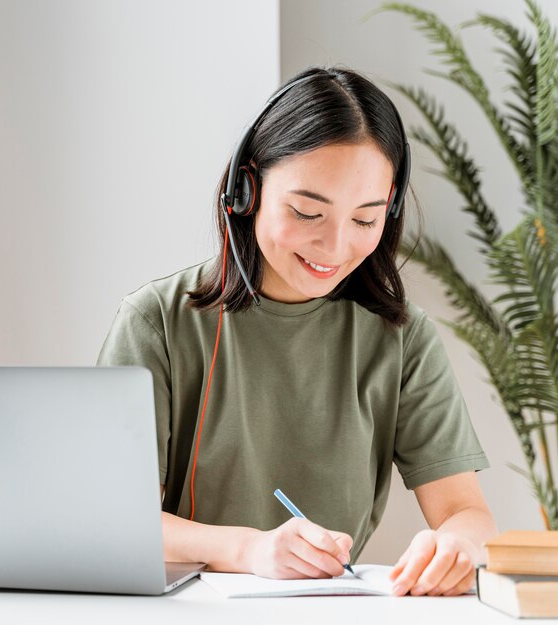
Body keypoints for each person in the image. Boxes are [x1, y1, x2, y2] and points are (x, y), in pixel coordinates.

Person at [97, 66, 497, 596]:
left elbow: (466, 513)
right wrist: (251, 549)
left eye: (364, 220)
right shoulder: (157, 322)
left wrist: (459, 545)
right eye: (307, 212)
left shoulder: (402, 338)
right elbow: (113, 524)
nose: (334, 249)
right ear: (247, 190)